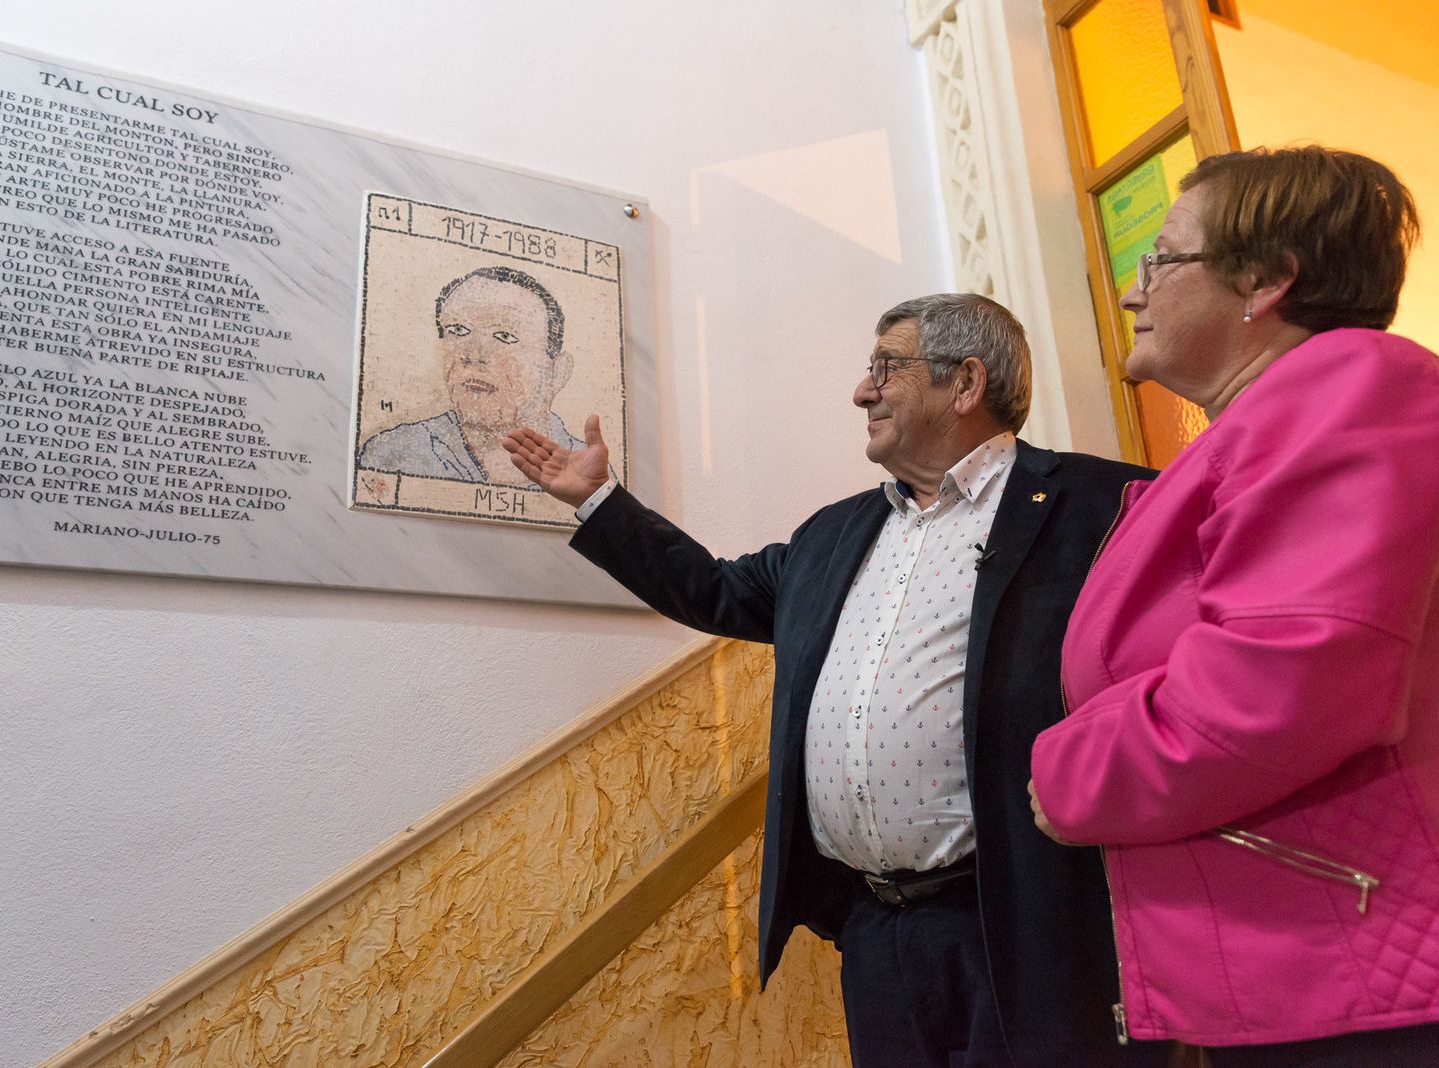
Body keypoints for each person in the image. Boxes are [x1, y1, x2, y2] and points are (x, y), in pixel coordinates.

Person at [504, 293, 1164, 1068]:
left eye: (886, 367)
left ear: (965, 383)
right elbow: (714, 591)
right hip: (875, 931)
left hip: (1024, 923)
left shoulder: (1103, 507)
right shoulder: (835, 533)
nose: (861, 392)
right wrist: (600, 503)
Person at [1028, 146, 1439, 1066]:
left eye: (1159, 259)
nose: (1130, 291)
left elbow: (1284, 681)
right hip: (1313, 967)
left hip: (1373, 983)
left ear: (1267, 280)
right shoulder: (1262, 423)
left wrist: (1068, 775)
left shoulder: (1347, 388)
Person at [359, 265, 583, 484]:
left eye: (505, 336)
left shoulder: (586, 471)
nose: (474, 355)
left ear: (557, 372)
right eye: (458, 330)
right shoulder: (392, 455)